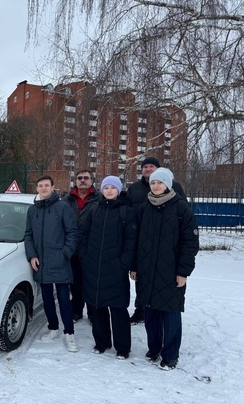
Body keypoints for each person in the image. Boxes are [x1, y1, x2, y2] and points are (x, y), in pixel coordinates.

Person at [130, 168, 199, 370]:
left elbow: (190, 242)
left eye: (160, 182)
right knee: (150, 312)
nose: (156, 186)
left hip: (171, 272)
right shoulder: (144, 208)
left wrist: (183, 272)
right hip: (147, 270)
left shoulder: (180, 208)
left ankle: (170, 355)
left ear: (168, 184)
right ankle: (154, 349)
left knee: (170, 313)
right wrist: (134, 266)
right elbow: (136, 241)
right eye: (153, 183)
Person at [79, 176, 137, 360]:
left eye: (113, 187)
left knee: (118, 309)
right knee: (97, 307)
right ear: (102, 190)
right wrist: (85, 257)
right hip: (93, 267)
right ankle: (101, 342)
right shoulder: (94, 209)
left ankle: (123, 347)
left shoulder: (126, 211)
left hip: (115, 268)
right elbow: (83, 234)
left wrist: (123, 263)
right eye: (106, 187)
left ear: (119, 190)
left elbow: (131, 241)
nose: (109, 190)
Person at [127, 156, 186, 324]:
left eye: (151, 166)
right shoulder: (136, 188)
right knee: (142, 282)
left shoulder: (175, 189)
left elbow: (182, 216)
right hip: (143, 239)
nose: (148, 169)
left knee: (165, 283)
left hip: (167, 243)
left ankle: (162, 313)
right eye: (145, 167)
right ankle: (141, 309)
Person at [24, 175, 80, 352]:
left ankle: (69, 334)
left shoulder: (62, 207)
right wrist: (32, 255)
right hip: (41, 262)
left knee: (64, 299)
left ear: (53, 187)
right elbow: (28, 235)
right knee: (47, 299)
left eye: (46, 185)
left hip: (59, 261)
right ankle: (53, 328)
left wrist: (65, 254)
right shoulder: (33, 210)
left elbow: (72, 233)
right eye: (40, 186)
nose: (43, 188)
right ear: (37, 188)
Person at [64, 169, 100, 322]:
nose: (83, 180)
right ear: (75, 181)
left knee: (91, 282)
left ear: (92, 181)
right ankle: (77, 310)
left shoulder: (99, 199)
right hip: (73, 249)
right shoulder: (67, 200)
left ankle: (93, 313)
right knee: (75, 282)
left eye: (86, 178)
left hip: (92, 249)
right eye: (80, 178)